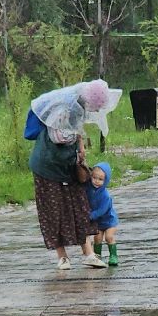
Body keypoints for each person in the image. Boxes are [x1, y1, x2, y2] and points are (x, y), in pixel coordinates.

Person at [26, 82, 109, 271]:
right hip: (46, 165)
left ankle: (88, 253)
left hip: (69, 165)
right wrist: (76, 135)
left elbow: (76, 132)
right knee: (53, 209)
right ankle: (62, 257)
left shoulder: (79, 109)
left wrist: (81, 146)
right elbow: (58, 137)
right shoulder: (61, 108)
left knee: (79, 205)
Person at [83, 163, 119, 267]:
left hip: (109, 221)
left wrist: (91, 215)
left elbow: (102, 210)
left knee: (109, 237)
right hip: (98, 222)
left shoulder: (105, 195)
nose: (97, 181)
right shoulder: (89, 189)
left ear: (105, 180)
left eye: (100, 179)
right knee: (97, 238)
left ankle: (113, 256)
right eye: (94, 178)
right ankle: (97, 256)